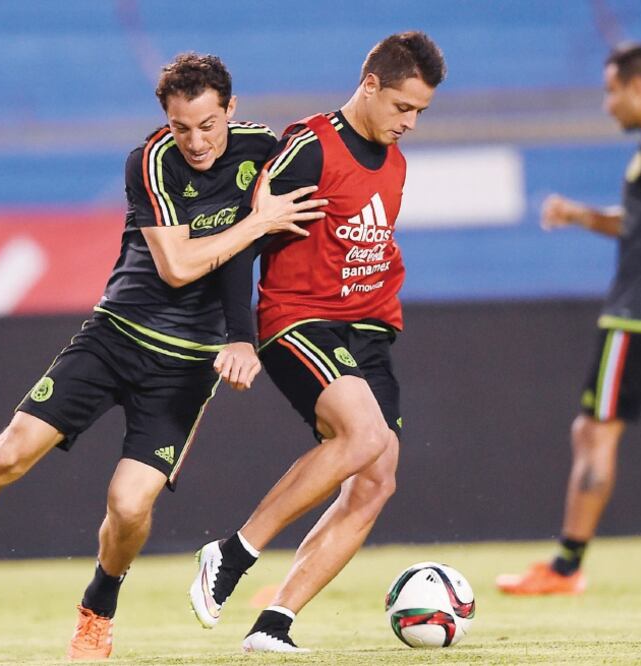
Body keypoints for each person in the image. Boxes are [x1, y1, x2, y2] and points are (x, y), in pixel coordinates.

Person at [0, 53, 324, 661]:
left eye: (207, 124)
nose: (196, 141)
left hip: (186, 365)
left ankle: (99, 604)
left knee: (129, 503)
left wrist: (243, 333)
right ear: (165, 120)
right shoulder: (151, 162)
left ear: (231, 108)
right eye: (180, 126)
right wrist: (256, 224)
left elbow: (267, 238)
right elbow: (178, 267)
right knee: (9, 453)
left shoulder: (263, 151)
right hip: (116, 335)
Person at [189, 32, 447, 652]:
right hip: (299, 320)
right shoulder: (309, 146)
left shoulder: (397, 159)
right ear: (370, 86)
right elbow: (246, 236)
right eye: (402, 107)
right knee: (362, 435)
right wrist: (241, 337)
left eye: (420, 112)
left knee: (376, 477)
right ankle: (232, 553)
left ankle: (273, 623)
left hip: (369, 328)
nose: (410, 122)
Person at [496, 43, 641, 596]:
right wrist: (580, 215)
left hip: (639, 321)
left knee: (593, 432)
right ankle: (565, 567)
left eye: (613, 90)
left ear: (640, 87)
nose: (608, 103)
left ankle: (564, 569)